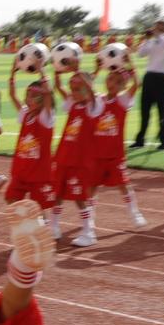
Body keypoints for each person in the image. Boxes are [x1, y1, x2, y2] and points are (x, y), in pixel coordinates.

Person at [50, 70, 102, 246]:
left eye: (78, 89)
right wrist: (56, 73)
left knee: (80, 196)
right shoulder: (72, 105)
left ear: (88, 89)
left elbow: (91, 93)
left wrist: (81, 76)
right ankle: (54, 226)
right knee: (57, 192)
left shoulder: (93, 107)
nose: (74, 92)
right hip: (64, 156)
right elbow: (58, 87)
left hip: (80, 160)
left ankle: (89, 231)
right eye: (72, 89)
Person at [5, 68, 57, 222]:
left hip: (38, 172)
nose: (28, 99)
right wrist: (12, 76)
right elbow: (13, 96)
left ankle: (44, 226)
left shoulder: (46, 117)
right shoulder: (26, 114)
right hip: (21, 169)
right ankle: (31, 231)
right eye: (27, 95)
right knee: (11, 199)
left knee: (38, 207)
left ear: (42, 99)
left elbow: (48, 94)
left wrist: (42, 71)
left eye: (34, 96)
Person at [133, 20, 164, 149]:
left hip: (162, 77)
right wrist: (147, 39)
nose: (156, 28)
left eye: (159, 26)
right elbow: (141, 54)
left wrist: (160, 35)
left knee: (162, 110)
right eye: (156, 25)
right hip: (149, 76)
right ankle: (140, 139)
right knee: (144, 110)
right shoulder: (152, 40)